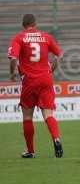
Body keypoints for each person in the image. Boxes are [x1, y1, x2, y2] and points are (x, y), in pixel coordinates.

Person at [8, 14, 64, 158]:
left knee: (27, 116)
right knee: (48, 114)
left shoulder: (19, 38)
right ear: (35, 23)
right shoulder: (46, 37)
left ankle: (30, 151)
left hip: (29, 81)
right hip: (46, 79)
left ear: (23, 25)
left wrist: (13, 73)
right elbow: (59, 55)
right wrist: (53, 68)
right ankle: (56, 138)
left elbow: (13, 58)